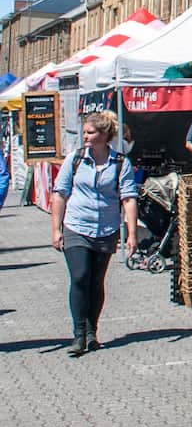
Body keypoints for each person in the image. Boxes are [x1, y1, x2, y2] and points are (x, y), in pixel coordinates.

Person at [50, 111, 140, 358]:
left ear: (104, 135)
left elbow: (128, 197)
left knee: (96, 281)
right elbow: (60, 193)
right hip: (76, 225)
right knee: (80, 277)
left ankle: (92, 330)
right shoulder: (75, 159)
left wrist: (131, 233)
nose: (85, 137)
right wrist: (56, 229)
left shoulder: (120, 162)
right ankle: (79, 334)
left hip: (106, 229)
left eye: (90, 133)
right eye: (85, 132)